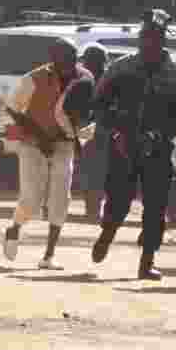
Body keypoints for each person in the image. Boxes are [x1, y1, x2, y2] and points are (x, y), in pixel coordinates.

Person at [90, 9, 176, 280]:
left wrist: (161, 134)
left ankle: (147, 261)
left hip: (158, 149)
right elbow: (100, 103)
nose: (146, 42)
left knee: (156, 207)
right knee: (118, 201)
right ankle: (107, 233)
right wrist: (115, 131)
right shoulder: (121, 67)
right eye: (143, 37)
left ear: (161, 41)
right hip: (123, 144)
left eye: (152, 37)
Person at [1, 39, 93, 269]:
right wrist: (38, 136)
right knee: (31, 199)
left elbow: (86, 113)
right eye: (65, 58)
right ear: (53, 58)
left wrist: (79, 137)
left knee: (61, 198)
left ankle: (48, 256)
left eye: (73, 58)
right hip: (33, 144)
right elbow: (12, 108)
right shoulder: (34, 79)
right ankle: (14, 228)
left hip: (64, 145)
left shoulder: (84, 79)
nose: (70, 64)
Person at [79, 44, 111, 221]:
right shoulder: (86, 78)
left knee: (93, 170)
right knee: (95, 170)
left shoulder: (86, 78)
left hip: (96, 129)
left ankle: (93, 208)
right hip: (93, 129)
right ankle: (93, 208)